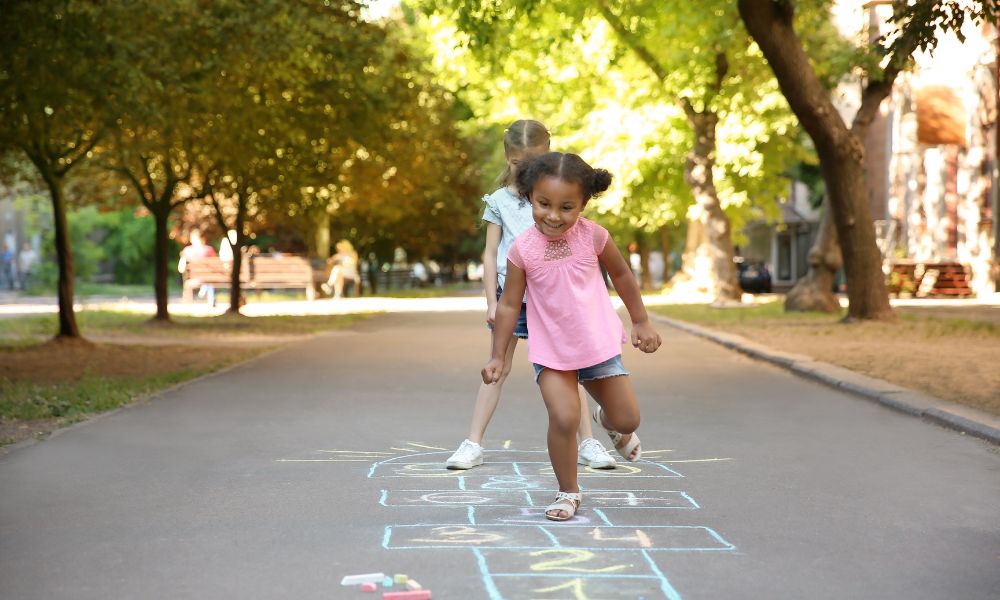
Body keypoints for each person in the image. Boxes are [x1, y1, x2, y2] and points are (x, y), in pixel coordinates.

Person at [482, 152, 662, 521]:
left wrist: (641, 321)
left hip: (597, 346)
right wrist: (498, 355)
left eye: (567, 207)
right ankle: (568, 491)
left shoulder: (594, 236)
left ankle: (608, 422)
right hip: (552, 352)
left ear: (583, 203)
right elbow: (508, 304)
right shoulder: (522, 250)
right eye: (543, 204)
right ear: (530, 197)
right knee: (564, 418)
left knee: (627, 420)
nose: (553, 215)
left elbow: (623, 275)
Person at [447, 120, 617, 472]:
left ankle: (588, 442)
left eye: (532, 164)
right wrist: (492, 302)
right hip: (513, 297)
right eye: (517, 164)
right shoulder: (498, 202)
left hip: (554, 298)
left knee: (571, 369)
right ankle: (472, 443)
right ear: (507, 158)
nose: (524, 171)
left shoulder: (555, 196)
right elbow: (490, 252)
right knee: (498, 366)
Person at [178, 230, 218, 305]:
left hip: (194, 278)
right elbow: (216, 263)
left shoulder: (187, 250)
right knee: (208, 281)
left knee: (206, 281)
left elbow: (180, 268)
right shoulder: (208, 249)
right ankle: (210, 299)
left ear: (191, 239)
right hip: (209, 278)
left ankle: (203, 289)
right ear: (203, 239)